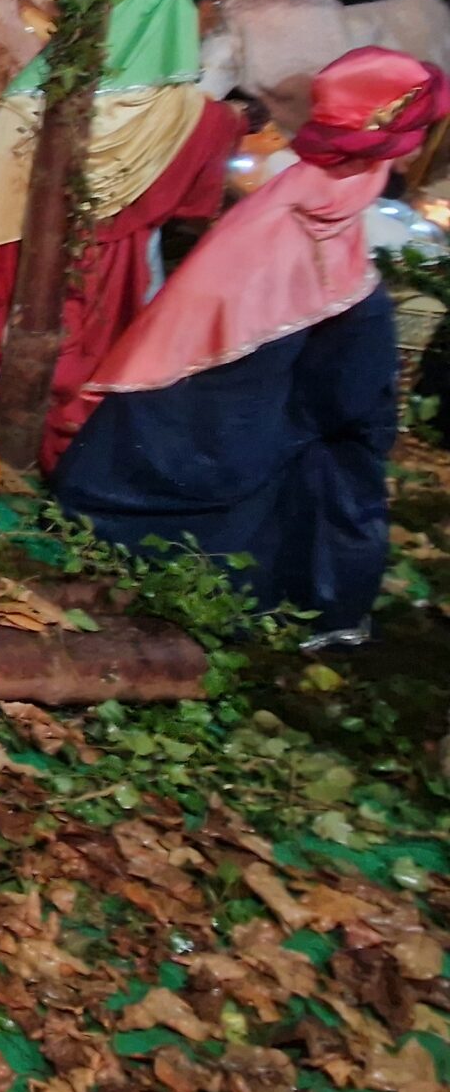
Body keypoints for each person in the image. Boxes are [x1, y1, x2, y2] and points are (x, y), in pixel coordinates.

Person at [54, 48, 450, 648]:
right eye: (415, 134)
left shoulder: (296, 200)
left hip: (191, 418)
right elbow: (339, 386)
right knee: (340, 453)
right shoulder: (319, 220)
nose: (418, 151)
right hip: (214, 435)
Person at [0, 0, 252, 470]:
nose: (211, 20)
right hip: (98, 278)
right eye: (208, 8)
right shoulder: (206, 122)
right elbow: (193, 213)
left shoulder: (36, 94)